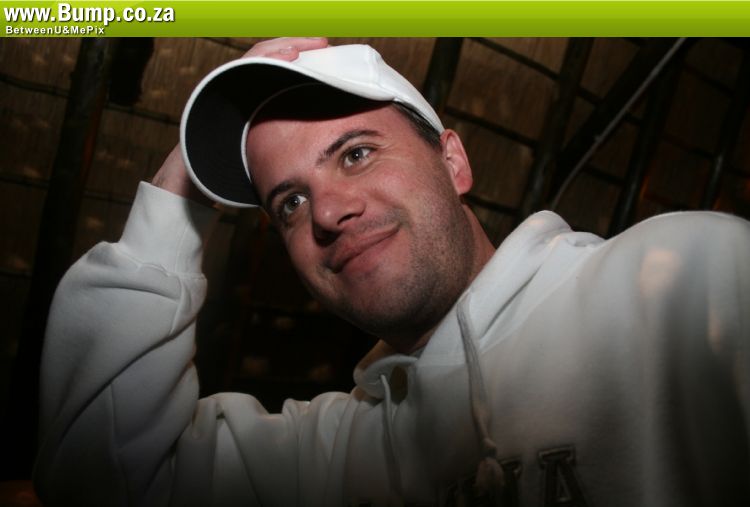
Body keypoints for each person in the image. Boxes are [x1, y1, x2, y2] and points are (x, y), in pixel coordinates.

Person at [34, 37, 749, 506]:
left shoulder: (686, 283)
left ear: (453, 161)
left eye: (355, 153)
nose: (327, 212)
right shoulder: (333, 453)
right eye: (289, 202)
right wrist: (182, 190)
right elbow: (100, 481)